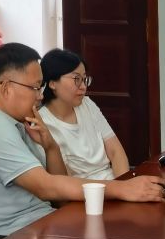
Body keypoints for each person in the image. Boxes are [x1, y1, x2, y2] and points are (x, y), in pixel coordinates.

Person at [0, 42, 163, 238]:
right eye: (35, 87)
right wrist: (122, 189)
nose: (40, 96)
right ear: (6, 87)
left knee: (123, 230)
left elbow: (58, 198)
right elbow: (45, 187)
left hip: (40, 224)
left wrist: (50, 146)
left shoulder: (15, 123)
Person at [36, 49, 129, 183]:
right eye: (76, 79)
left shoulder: (87, 104)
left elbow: (116, 152)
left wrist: (124, 185)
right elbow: (64, 182)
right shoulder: (43, 123)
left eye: (84, 79)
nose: (83, 86)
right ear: (52, 83)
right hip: (83, 192)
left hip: (115, 183)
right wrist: (116, 190)